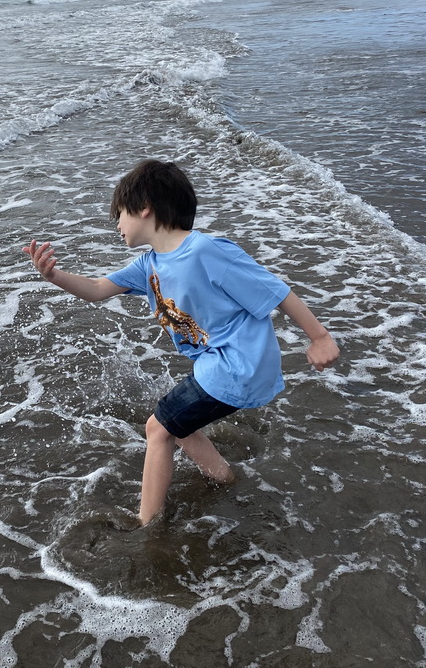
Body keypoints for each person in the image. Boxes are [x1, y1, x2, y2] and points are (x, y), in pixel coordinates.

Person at [22, 160, 340, 525]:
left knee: (158, 428)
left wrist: (320, 337)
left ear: (144, 207)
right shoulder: (149, 265)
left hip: (236, 365)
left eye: (120, 215)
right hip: (220, 365)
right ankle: (223, 479)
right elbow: (96, 290)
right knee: (180, 426)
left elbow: (276, 290)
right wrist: (53, 275)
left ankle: (147, 526)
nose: (118, 226)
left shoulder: (206, 251)